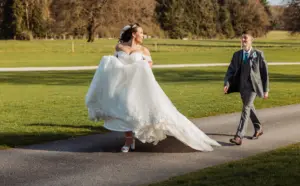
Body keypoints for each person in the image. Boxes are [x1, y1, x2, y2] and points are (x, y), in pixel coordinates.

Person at [85, 23, 220, 152]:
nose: (143, 35)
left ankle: (186, 134)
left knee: (140, 111)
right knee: (123, 111)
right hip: (123, 86)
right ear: (133, 34)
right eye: (141, 33)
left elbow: (148, 67)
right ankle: (128, 140)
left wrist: (140, 66)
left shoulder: (144, 50)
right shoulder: (119, 47)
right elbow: (114, 65)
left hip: (139, 86)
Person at [223, 30, 269, 145]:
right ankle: (259, 128)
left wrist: (266, 89)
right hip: (242, 87)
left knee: (246, 109)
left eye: (245, 38)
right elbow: (231, 70)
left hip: (253, 87)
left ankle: (239, 136)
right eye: (242, 38)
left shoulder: (258, 54)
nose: (243, 40)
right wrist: (227, 83)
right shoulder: (237, 55)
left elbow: (264, 73)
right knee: (249, 107)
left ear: (251, 40)